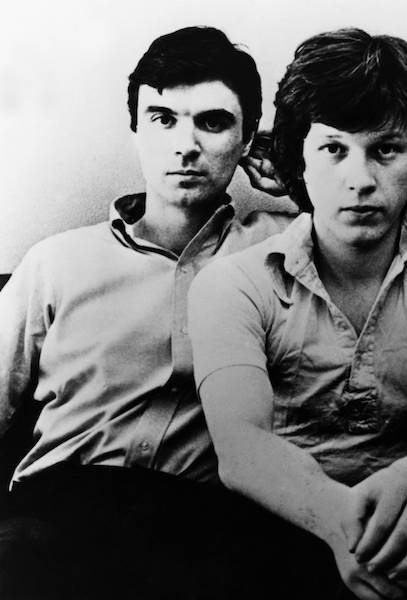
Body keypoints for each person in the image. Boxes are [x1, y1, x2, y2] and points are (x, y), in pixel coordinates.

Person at [188, 28, 407, 600]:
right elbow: (241, 448)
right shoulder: (229, 284)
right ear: (299, 160)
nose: (360, 180)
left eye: (385, 149)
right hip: (276, 533)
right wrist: (339, 522)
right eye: (334, 148)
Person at [0, 26, 300, 599]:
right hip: (54, 520)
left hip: (205, 531)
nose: (184, 144)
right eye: (162, 118)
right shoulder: (56, 263)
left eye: (212, 122)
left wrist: (303, 180)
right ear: (136, 130)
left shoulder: (289, 250)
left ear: (247, 139)